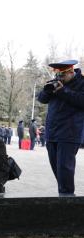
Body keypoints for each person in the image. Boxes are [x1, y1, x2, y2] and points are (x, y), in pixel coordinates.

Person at [37, 59, 84, 194]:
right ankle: (65, 196)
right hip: (52, 133)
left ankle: (67, 200)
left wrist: (62, 92)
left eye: (62, 75)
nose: (60, 78)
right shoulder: (56, 82)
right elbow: (41, 99)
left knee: (65, 169)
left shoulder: (81, 83)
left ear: (70, 72)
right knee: (57, 169)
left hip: (69, 134)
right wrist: (48, 90)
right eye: (57, 75)